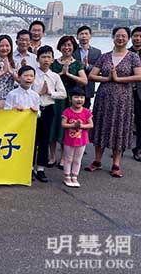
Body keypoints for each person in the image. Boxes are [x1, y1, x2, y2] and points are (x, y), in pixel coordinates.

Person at [86, 27, 141, 178]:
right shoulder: (104, 56)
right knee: (101, 125)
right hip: (104, 98)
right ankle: (97, 160)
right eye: (118, 36)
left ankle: (116, 164)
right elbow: (92, 75)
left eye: (124, 36)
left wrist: (118, 79)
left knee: (120, 128)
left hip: (123, 99)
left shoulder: (133, 57)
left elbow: (138, 76)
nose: (120, 38)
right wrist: (107, 78)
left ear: (128, 38)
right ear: (113, 37)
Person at [48, 36, 87, 168]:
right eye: (64, 45)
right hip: (55, 99)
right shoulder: (53, 63)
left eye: (69, 45)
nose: (67, 47)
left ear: (73, 47)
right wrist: (60, 73)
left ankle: (65, 158)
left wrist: (68, 74)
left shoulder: (77, 64)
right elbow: (47, 80)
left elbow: (84, 80)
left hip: (70, 100)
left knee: (67, 128)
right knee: (53, 126)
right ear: (60, 47)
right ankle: (52, 156)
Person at [31, 46, 67, 183]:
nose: (46, 60)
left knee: (45, 139)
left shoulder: (55, 76)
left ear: (52, 59)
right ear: (38, 59)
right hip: (34, 110)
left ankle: (40, 168)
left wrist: (50, 93)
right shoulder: (32, 74)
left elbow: (63, 94)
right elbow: (27, 90)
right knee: (33, 140)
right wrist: (39, 93)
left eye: (48, 57)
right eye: (43, 57)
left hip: (49, 109)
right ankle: (29, 168)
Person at [61, 87, 93, 188]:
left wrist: (81, 126)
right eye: (76, 97)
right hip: (69, 140)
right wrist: (73, 126)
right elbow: (63, 124)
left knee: (77, 159)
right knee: (68, 158)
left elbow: (91, 125)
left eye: (81, 97)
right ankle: (67, 176)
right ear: (70, 99)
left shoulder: (87, 112)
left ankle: (74, 176)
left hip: (82, 140)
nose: (79, 99)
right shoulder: (67, 111)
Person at [73, 25, 101, 109]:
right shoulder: (72, 50)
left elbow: (99, 69)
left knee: (86, 110)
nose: (84, 36)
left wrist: (88, 66)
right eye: (81, 34)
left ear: (90, 36)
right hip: (74, 85)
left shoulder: (97, 52)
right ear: (77, 37)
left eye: (86, 33)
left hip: (88, 87)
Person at [129, 26, 141, 162]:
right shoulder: (125, 53)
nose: (137, 39)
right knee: (124, 120)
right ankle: (118, 148)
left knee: (140, 121)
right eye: (135, 36)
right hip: (125, 91)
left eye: (140, 36)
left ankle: (138, 148)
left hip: (140, 92)